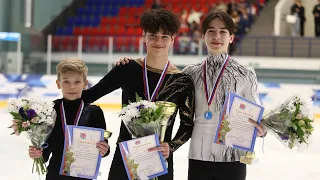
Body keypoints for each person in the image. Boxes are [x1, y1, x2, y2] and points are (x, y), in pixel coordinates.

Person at [117, 10, 265, 180]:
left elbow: (257, 113)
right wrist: (128, 65)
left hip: (231, 156)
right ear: (203, 36)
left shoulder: (245, 73)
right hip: (198, 156)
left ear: (231, 37)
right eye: (211, 31)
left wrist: (262, 129)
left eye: (223, 32)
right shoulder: (190, 73)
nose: (216, 36)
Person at [81, 8, 195, 180]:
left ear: (173, 39)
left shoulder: (182, 81)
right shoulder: (127, 68)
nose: (158, 41)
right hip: (125, 159)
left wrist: (171, 147)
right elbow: (88, 97)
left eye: (164, 36)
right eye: (152, 35)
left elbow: (187, 125)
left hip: (159, 160)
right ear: (143, 36)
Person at [28, 58, 110, 180]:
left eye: (77, 82)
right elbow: (45, 150)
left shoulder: (95, 112)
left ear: (85, 83)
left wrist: (105, 149)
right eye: (66, 82)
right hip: (56, 175)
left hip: (83, 175)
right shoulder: (49, 110)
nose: (72, 86)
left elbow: (103, 145)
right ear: (58, 83)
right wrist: (37, 153)